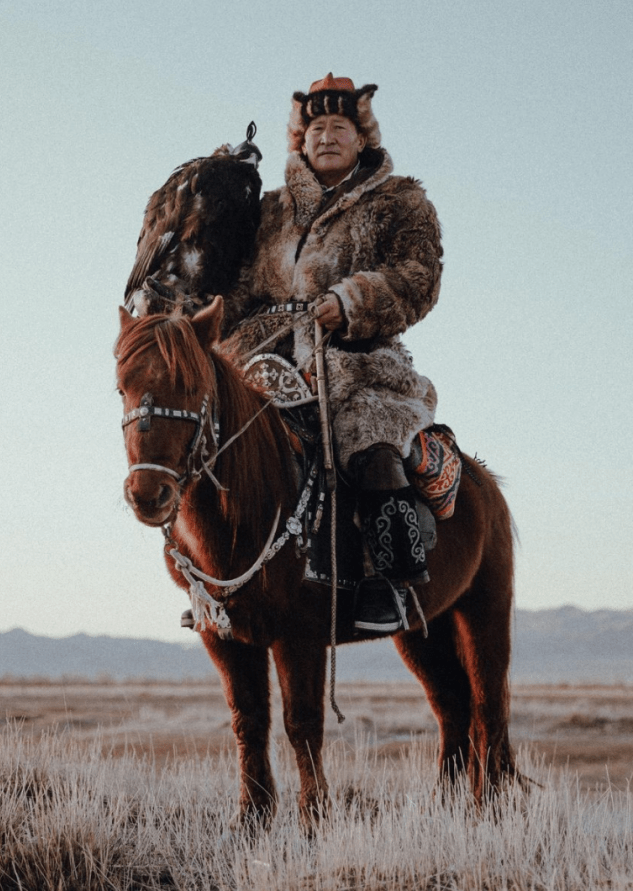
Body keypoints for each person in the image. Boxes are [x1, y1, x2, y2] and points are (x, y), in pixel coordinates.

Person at [221, 73, 444, 634]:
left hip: (363, 363)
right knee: (224, 443)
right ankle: (221, 580)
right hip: (269, 363)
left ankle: (389, 581)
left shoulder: (403, 202)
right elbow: (244, 288)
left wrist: (351, 301)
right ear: (301, 139)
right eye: (315, 127)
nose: (326, 136)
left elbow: (419, 277)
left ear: (361, 137)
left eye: (339, 126)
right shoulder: (272, 213)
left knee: (366, 437)